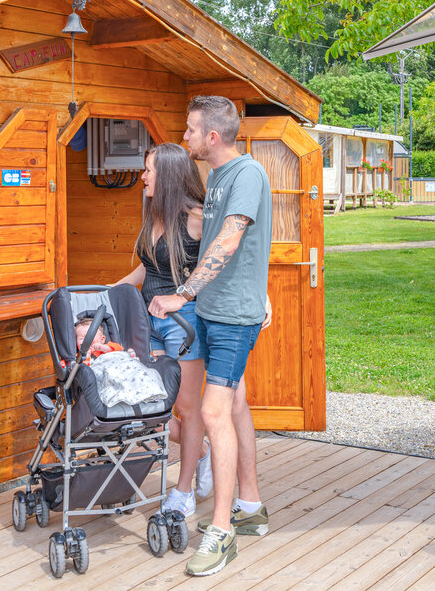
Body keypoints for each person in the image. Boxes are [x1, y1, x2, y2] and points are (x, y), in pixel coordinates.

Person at [149, 96, 271, 578]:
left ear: (212, 137)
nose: (186, 137)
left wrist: (183, 294)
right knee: (233, 405)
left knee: (213, 411)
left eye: (190, 130)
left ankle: (220, 532)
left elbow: (231, 239)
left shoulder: (246, 175)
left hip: (231, 317)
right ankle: (250, 506)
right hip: (214, 310)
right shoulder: (218, 177)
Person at [114, 143, 212, 520]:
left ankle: (183, 491)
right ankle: (200, 451)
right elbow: (147, 270)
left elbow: (222, 267)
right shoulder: (153, 214)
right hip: (146, 322)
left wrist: (262, 295)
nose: (143, 176)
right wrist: (109, 291)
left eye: (149, 170)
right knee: (151, 406)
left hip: (182, 326)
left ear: (169, 175)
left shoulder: (197, 218)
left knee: (186, 408)